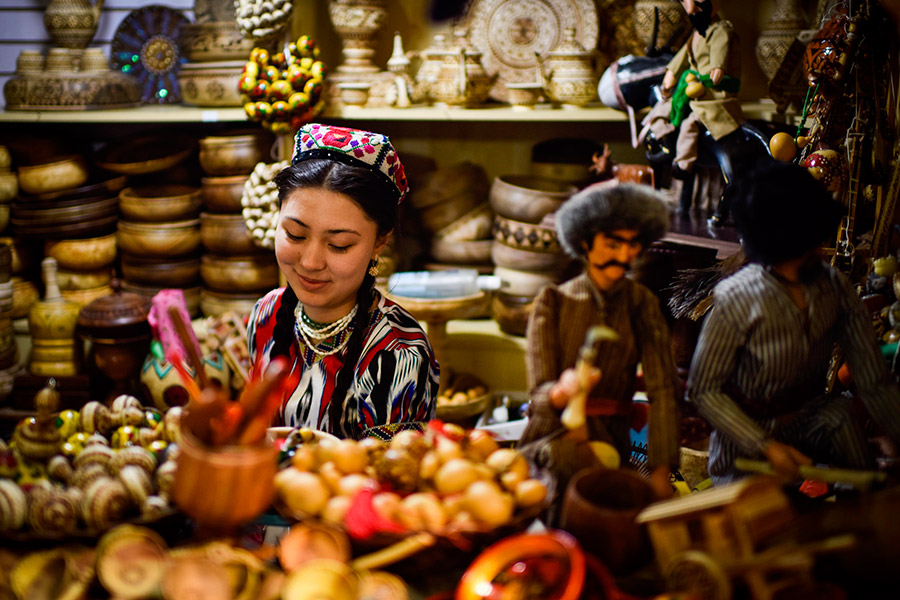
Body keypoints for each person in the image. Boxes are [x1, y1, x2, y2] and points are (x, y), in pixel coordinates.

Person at [687, 160, 900, 485]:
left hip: (811, 420)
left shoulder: (833, 286)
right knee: (758, 514)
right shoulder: (737, 298)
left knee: (842, 421)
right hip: (748, 438)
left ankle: (861, 506)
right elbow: (703, 390)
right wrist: (766, 446)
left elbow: (873, 379)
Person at [247, 123, 439, 439]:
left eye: (339, 245)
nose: (310, 262)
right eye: (295, 234)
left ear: (380, 242)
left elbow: (387, 474)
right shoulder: (266, 314)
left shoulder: (398, 354)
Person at [521, 182, 681, 497]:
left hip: (614, 441)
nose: (624, 256)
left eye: (633, 244)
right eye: (612, 244)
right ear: (585, 243)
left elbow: (663, 391)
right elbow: (536, 396)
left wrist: (661, 469)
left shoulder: (642, 304)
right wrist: (559, 393)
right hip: (554, 437)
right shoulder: (553, 302)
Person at [643, 0, 743, 179]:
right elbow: (682, 58)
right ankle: (665, 141)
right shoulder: (696, 33)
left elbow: (720, 51)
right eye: (685, 2)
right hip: (691, 90)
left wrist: (717, 68)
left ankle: (683, 164)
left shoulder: (721, 30)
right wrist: (670, 77)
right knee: (661, 110)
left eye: (698, 2)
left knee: (691, 123)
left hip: (713, 96)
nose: (691, 9)